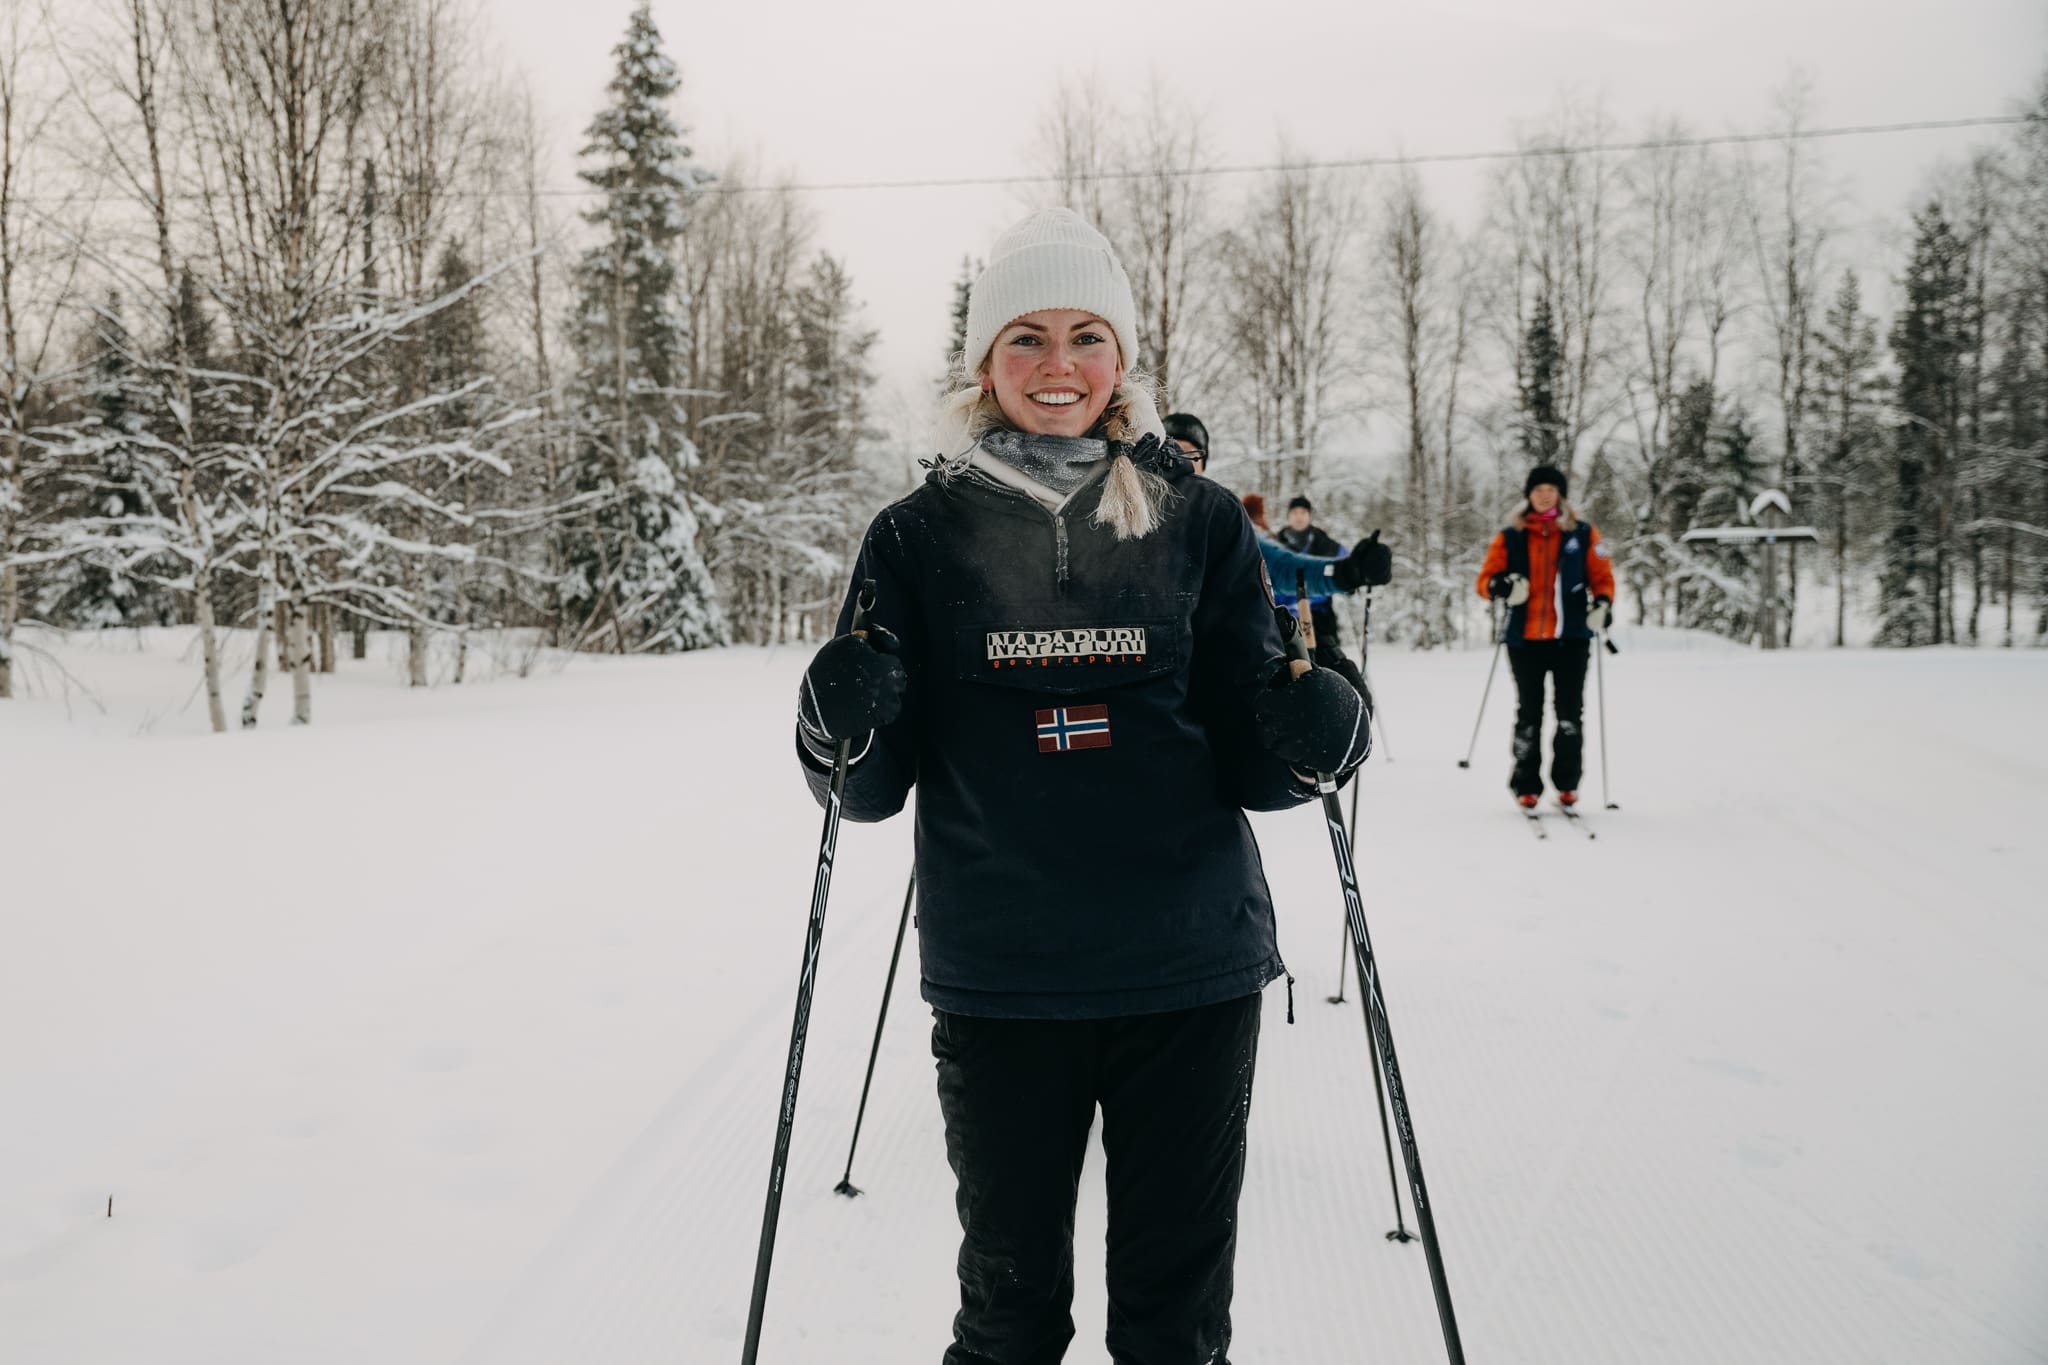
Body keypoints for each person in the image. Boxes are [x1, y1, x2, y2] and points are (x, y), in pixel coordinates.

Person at [793, 208, 1371, 1364]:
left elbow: (1270, 769)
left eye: (1084, 336)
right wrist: (831, 721)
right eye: (1025, 337)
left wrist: (1326, 724)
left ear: (1120, 359)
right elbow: (863, 790)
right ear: (982, 362)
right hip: (1005, 980)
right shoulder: (915, 535)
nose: (1057, 366)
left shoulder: (1197, 522)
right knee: (1007, 1325)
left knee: (1173, 1329)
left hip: (1188, 972)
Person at [1474, 463, 1616, 809]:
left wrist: (1603, 603)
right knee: (1529, 713)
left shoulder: (1582, 533)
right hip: (1524, 641)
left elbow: (1602, 575)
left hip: (1572, 638)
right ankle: (1526, 785)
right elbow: (1485, 581)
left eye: (1551, 490)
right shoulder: (1511, 535)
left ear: (1560, 495)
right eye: (1538, 490)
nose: (1544, 495)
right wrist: (1502, 585)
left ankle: (1567, 783)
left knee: (1569, 713)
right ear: (1529, 495)